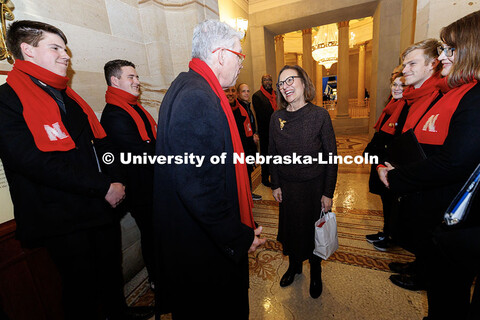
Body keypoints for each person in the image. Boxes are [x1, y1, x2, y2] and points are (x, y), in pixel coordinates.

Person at [0, 21, 153, 320]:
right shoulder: (7, 99)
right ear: (28, 50)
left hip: (99, 207)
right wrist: (103, 187)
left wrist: (117, 180)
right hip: (61, 214)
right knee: (80, 288)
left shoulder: (70, 96)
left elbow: (103, 146)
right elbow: (31, 161)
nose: (65, 55)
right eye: (55, 47)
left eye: (65, 47)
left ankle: (119, 314)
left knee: (111, 272)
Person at [153, 20, 266, 319]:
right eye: (239, 55)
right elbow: (199, 187)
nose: (241, 63)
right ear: (220, 54)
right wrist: (239, 237)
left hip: (194, 240)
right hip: (203, 249)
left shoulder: (188, 84)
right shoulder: (198, 97)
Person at [379, 10, 480, 319]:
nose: (443, 57)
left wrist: (398, 178)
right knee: (445, 288)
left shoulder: (473, 96)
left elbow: (455, 161)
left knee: (450, 293)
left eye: (450, 49)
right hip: (436, 201)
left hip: (458, 216)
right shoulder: (460, 91)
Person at [377, 38, 443, 290]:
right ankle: (417, 265)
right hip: (410, 173)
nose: (405, 70)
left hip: (427, 177)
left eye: (412, 64)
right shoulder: (417, 96)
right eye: (405, 64)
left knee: (427, 229)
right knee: (417, 226)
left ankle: (423, 274)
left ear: (432, 65)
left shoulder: (436, 95)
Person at [269, 65, 338, 299]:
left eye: (290, 80)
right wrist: (276, 184)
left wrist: (328, 192)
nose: (285, 86)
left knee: (313, 232)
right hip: (288, 188)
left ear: (303, 82)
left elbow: (331, 157)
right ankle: (294, 266)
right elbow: (272, 154)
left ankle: (316, 272)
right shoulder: (276, 117)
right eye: (281, 83)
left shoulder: (319, 115)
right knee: (292, 231)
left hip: (314, 188)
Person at [100, 59, 157, 290]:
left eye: (136, 76)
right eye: (131, 77)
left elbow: (151, 141)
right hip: (141, 190)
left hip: (153, 183)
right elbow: (141, 151)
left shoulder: (134, 107)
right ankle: (157, 279)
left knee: (160, 233)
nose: (137, 81)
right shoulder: (114, 114)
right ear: (115, 81)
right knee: (152, 235)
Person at [364, 66, 405, 251]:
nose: (396, 88)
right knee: (385, 202)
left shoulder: (405, 107)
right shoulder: (392, 103)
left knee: (392, 203)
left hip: (389, 164)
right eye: (394, 84)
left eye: (401, 86)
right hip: (381, 161)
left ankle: (392, 236)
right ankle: (386, 231)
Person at [224, 85, 261, 200]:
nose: (230, 93)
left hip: (244, 153)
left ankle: (248, 199)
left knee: (246, 179)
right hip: (228, 155)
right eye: (227, 91)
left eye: (233, 91)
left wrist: (253, 155)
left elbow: (248, 134)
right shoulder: (219, 109)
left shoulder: (242, 110)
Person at [252, 74, 276, 187]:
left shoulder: (276, 94)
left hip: (276, 131)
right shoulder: (257, 96)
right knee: (266, 155)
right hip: (265, 131)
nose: (268, 82)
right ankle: (265, 178)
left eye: (269, 80)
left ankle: (274, 174)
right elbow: (261, 115)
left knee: (276, 154)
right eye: (265, 80)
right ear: (262, 82)